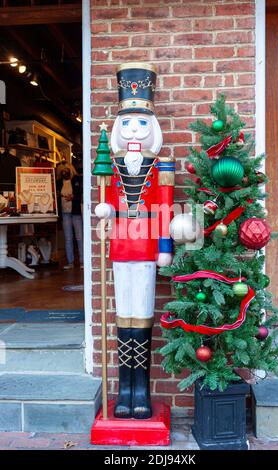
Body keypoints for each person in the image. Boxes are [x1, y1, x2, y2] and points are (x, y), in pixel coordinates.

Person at [95, 63, 174, 419]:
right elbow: (110, 203)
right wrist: (104, 209)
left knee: (142, 315)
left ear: (152, 128)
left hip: (145, 248)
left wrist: (165, 247)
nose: (133, 128)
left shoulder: (162, 168)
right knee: (121, 315)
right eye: (127, 122)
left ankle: (139, 387)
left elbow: (165, 210)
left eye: (141, 122)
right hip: (119, 247)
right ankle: (123, 388)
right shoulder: (110, 167)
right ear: (117, 127)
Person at [56, 162, 83, 269]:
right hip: (65, 212)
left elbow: (81, 193)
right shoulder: (58, 182)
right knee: (68, 238)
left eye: (66, 171)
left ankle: (82, 261)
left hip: (75, 212)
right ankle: (70, 262)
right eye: (62, 171)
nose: (64, 173)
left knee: (79, 237)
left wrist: (74, 197)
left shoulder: (77, 179)